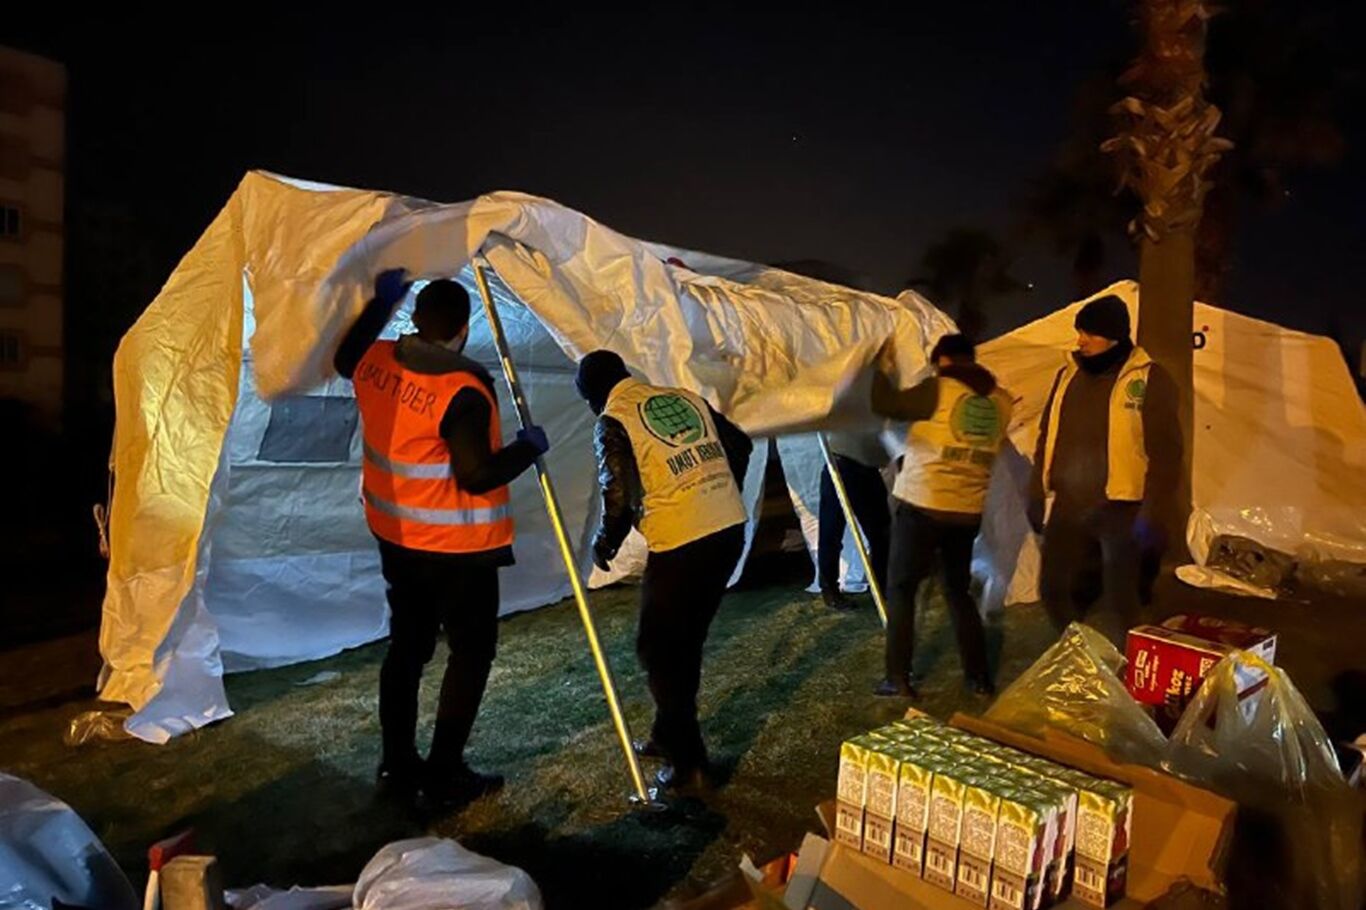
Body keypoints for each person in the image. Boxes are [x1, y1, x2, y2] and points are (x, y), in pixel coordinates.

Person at [334, 269, 549, 807]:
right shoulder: (461, 389)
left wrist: (380, 304)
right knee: (470, 654)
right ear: (463, 328)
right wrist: (528, 448)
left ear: (414, 317)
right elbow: (477, 475)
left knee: (407, 650)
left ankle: (397, 765)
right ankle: (445, 773)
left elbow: (343, 359)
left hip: (397, 539)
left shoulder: (377, 359)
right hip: (458, 552)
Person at [574, 350, 752, 793]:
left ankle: (688, 764)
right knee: (683, 642)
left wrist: (605, 543)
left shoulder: (613, 418)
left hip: (684, 540)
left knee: (660, 650)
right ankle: (666, 731)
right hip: (728, 529)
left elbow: (616, 492)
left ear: (591, 396)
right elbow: (740, 444)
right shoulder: (683, 397)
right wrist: (718, 492)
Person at [1028, 294, 1179, 645]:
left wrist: (1152, 510)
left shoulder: (1148, 378)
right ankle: (1077, 650)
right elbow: (1046, 435)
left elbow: (1167, 452)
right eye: (1080, 331)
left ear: (1114, 336)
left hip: (1120, 508)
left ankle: (1130, 663)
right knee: (1053, 588)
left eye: (1090, 333)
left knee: (1121, 599)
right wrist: (1036, 489)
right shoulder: (1067, 374)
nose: (1080, 340)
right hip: (1069, 504)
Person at [871, 334, 1013, 698]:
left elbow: (884, 404)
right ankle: (978, 678)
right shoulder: (1001, 400)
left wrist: (881, 367)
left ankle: (897, 678)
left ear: (944, 361)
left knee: (902, 589)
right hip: (966, 511)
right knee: (958, 591)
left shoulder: (939, 389)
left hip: (923, 505)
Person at [817, 432, 892, 611]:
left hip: (866, 466)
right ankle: (829, 589)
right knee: (831, 531)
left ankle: (883, 587)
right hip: (839, 464)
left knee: (882, 533)